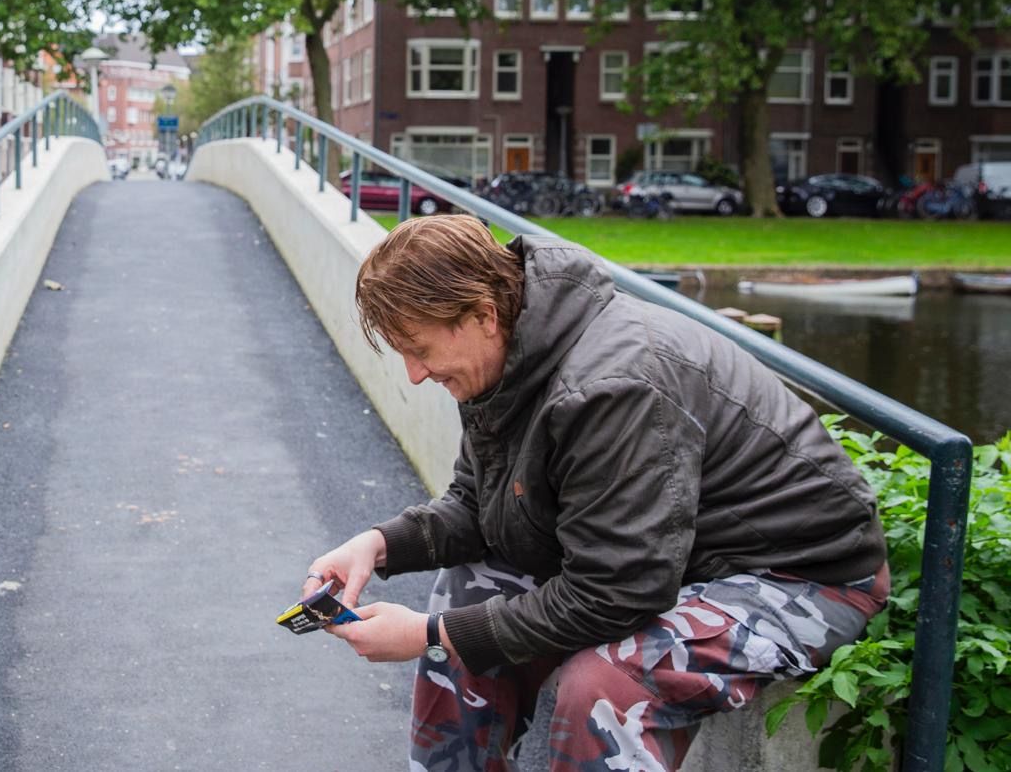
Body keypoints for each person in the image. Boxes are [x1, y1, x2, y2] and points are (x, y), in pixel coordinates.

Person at [303, 217, 888, 771]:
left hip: (798, 575)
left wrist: (431, 633)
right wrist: (376, 546)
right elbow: (480, 505)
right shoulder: (505, 357)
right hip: (668, 555)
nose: (414, 373)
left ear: (482, 314)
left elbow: (616, 592)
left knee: (603, 687)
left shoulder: (611, 388)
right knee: (463, 597)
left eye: (420, 350)